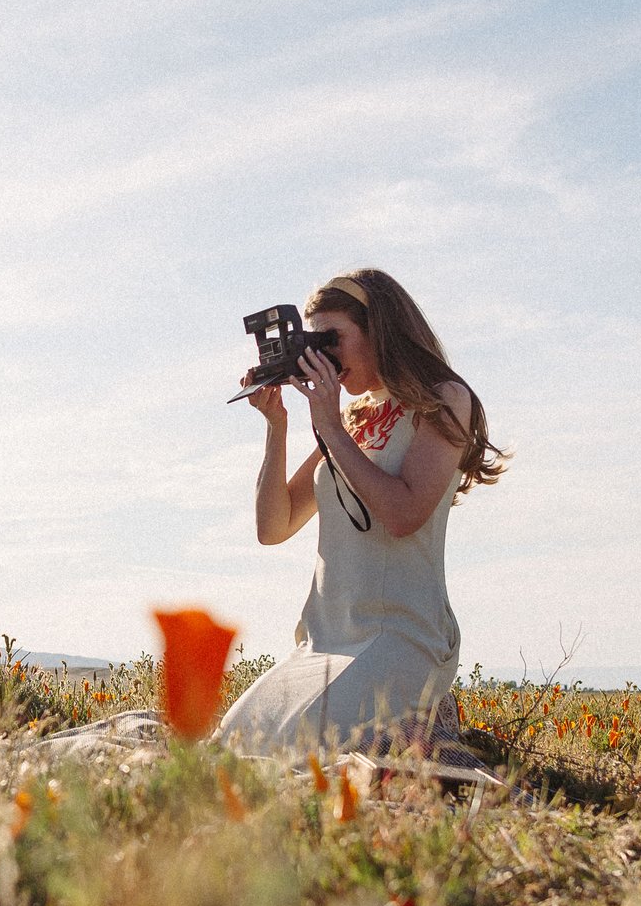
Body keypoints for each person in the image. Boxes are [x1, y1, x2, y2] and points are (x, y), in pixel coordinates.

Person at [217, 269, 506, 764]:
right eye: (314, 341)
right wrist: (278, 426)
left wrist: (330, 426)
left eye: (333, 339)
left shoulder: (444, 401)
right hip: (324, 639)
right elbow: (274, 526)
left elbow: (404, 514)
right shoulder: (351, 418)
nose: (324, 356)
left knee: (299, 754)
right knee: (234, 744)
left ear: (380, 331)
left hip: (403, 636)